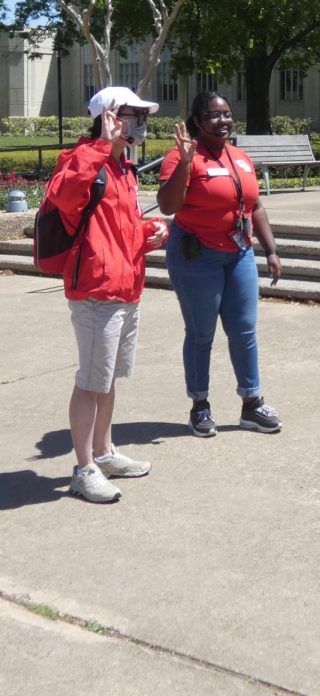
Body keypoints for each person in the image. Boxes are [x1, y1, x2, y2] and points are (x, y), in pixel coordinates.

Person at [49, 86, 169, 503]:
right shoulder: (84, 159)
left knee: (107, 379)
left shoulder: (123, 168)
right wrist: (99, 144)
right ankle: (83, 469)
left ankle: (103, 451)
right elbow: (65, 197)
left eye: (141, 115)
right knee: (90, 381)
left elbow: (115, 229)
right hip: (96, 291)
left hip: (124, 287)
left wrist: (147, 235)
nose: (139, 122)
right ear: (109, 117)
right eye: (132, 114)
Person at [157, 91, 283, 437]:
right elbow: (168, 205)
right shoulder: (181, 156)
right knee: (200, 334)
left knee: (244, 331)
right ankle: (200, 406)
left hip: (239, 253)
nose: (222, 120)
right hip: (196, 257)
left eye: (226, 113)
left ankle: (251, 404)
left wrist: (270, 250)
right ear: (197, 121)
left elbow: (254, 206)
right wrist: (184, 163)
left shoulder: (240, 156)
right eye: (213, 115)